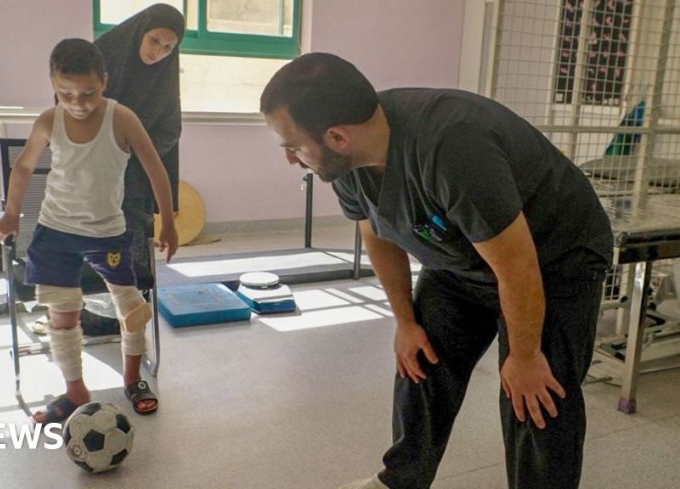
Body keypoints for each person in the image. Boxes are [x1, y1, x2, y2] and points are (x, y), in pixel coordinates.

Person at [260, 53, 612, 489]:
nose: (292, 160)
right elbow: (378, 236)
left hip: (554, 256)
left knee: (535, 395)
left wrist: (523, 356)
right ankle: (401, 480)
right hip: (461, 258)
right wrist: (405, 323)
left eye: (293, 146)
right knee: (420, 362)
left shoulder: (452, 145)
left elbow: (518, 266)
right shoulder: (345, 159)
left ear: (337, 136)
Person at [0, 38, 178, 419]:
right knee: (63, 315)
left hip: (106, 232)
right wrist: (11, 213)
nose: (78, 103)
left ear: (104, 82)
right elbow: (25, 167)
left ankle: (133, 378)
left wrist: (169, 222)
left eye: (88, 93)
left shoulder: (121, 118)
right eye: (66, 94)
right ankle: (75, 391)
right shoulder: (49, 120)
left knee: (133, 310)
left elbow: (155, 166)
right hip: (55, 231)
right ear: (54, 86)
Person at [34, 4, 185, 336]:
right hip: (89, 174)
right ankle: (76, 313)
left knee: (126, 249)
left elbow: (172, 126)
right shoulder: (101, 56)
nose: (158, 52)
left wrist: (135, 147)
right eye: (154, 40)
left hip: (133, 178)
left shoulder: (165, 73)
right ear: (140, 32)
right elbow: (70, 106)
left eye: (168, 47)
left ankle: (123, 317)